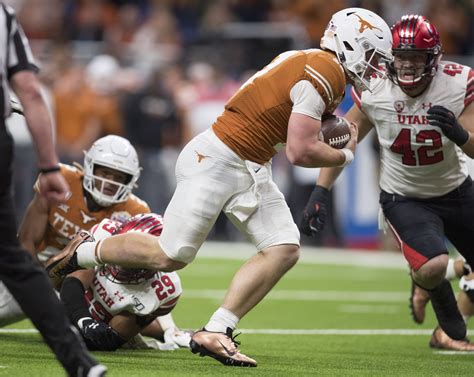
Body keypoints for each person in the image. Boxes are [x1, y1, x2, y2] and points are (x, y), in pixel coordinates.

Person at [46, 8, 393, 367]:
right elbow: (300, 150)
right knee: (172, 254)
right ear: (349, 43)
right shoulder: (325, 70)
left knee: (284, 247)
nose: (374, 66)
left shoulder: (313, 63)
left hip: (250, 164)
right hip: (218, 157)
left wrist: (330, 132)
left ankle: (217, 329)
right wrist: (345, 156)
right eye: (371, 55)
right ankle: (87, 251)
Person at [299, 15, 474, 350]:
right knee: (433, 265)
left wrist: (459, 133)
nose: (408, 65)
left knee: (434, 268)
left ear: (433, 58)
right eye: (401, 56)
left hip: (456, 190)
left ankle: (426, 280)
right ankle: (444, 316)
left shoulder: (457, 83)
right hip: (404, 197)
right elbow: (345, 142)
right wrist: (320, 191)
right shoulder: (374, 87)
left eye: (416, 57)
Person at [0, 4, 106, 376]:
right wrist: (50, 166)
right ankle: (79, 362)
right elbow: (29, 91)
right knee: (14, 261)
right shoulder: (4, 14)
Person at [0, 135, 149, 327]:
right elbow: (27, 241)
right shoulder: (60, 180)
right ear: (90, 167)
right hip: (36, 268)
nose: (110, 182)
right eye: (104, 173)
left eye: (119, 177)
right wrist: (39, 287)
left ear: (130, 180)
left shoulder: (135, 211)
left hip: (85, 286)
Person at [60, 214, 191, 351]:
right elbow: (72, 284)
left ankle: (171, 331)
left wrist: (93, 332)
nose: (123, 264)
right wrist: (84, 321)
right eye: (123, 253)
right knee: (58, 269)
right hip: (66, 299)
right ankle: (170, 331)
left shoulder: (166, 289)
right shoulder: (104, 231)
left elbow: (110, 338)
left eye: (133, 262)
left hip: (102, 320)